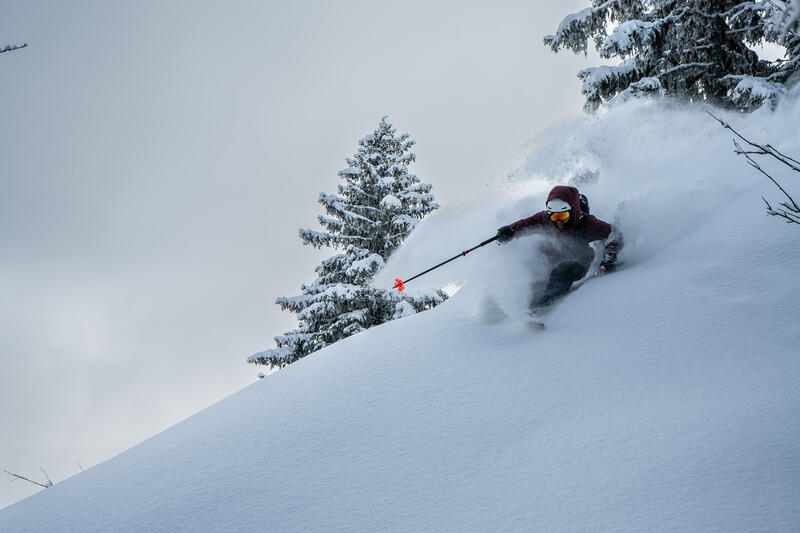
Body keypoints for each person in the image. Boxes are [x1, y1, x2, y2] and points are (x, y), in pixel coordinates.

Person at [496, 185, 622, 309]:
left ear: (573, 211)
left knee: (563, 269)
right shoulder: (546, 218)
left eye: (562, 216)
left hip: (578, 261)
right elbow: (527, 224)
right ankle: (515, 298)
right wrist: (510, 230)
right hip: (554, 257)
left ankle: (544, 304)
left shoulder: (588, 224)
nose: (557, 221)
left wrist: (610, 256)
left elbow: (615, 235)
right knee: (534, 265)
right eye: (553, 215)